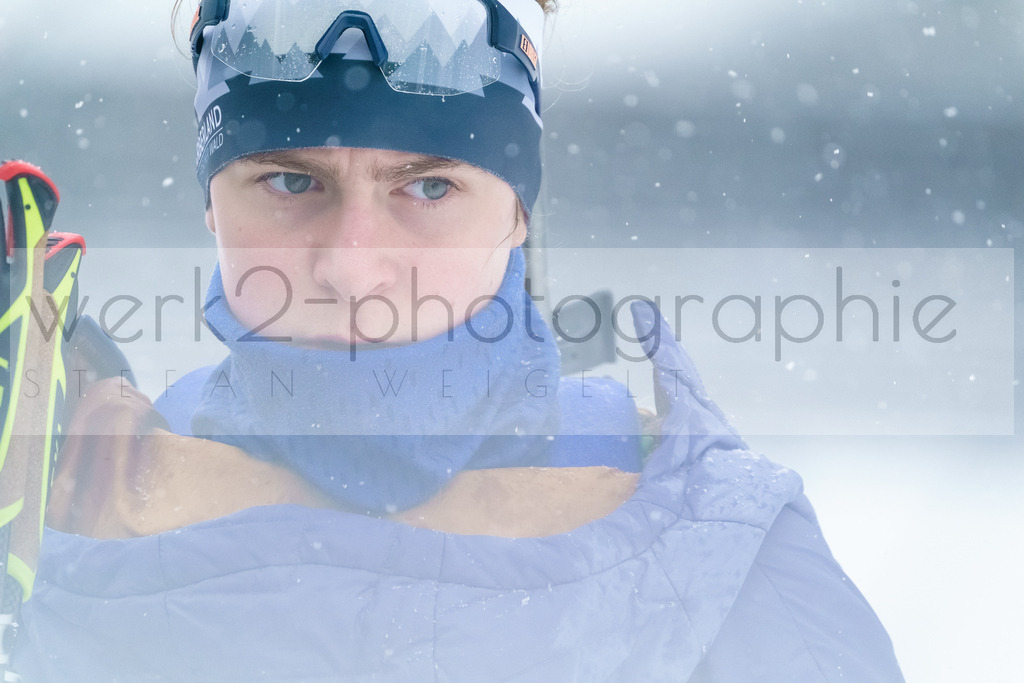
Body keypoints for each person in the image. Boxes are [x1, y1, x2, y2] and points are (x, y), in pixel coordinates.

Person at [11, 0, 904, 680]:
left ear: (518, 211)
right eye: (290, 181)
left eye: (429, 188)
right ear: (211, 201)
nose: (353, 268)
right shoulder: (60, 497)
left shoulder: (720, 552)